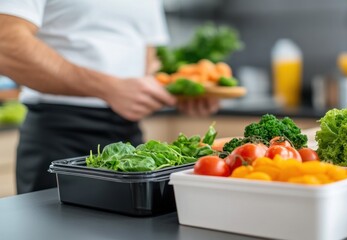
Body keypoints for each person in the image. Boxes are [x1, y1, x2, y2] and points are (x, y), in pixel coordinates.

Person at [0, 0, 220, 194]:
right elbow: (5, 42)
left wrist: (179, 93)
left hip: (131, 140)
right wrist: (109, 88)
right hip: (60, 135)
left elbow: (147, 60)